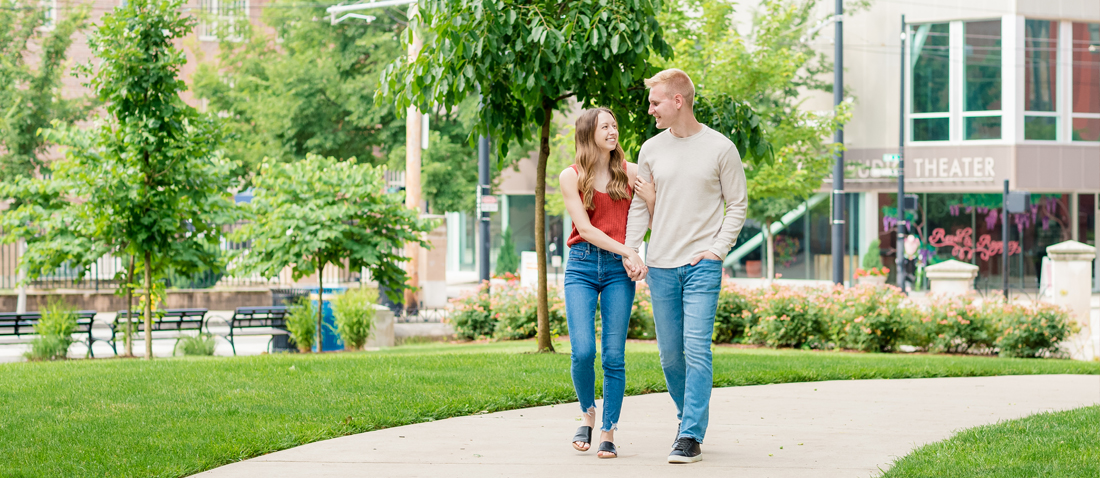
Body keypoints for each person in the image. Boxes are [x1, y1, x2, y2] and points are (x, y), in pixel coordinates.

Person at [624, 68, 748, 464]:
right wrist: (632, 250)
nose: (650, 109)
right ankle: (686, 418)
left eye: (655, 102)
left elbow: (738, 204)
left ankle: (691, 434)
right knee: (670, 356)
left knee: (696, 349)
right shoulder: (650, 149)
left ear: (678, 101)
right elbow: (640, 207)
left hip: (701, 266)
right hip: (660, 265)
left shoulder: (721, 148)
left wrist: (717, 249)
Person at [560, 107, 654, 459]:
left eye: (615, 125)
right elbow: (584, 230)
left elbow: (654, 212)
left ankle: (609, 430)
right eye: (605, 127)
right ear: (589, 133)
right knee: (583, 351)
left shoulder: (630, 173)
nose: (613, 131)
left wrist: (631, 253)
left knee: (614, 356)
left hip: (618, 271)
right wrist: (630, 252)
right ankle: (587, 411)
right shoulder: (570, 176)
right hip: (581, 266)